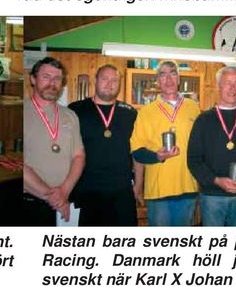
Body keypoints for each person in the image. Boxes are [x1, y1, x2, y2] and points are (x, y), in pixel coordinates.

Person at [187, 67, 236, 227]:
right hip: (212, 196)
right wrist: (215, 180)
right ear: (218, 86)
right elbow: (193, 159)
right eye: (228, 83)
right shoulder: (203, 120)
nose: (233, 88)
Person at [130, 59, 199, 226]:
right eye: (163, 74)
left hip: (188, 187)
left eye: (173, 73)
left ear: (179, 78)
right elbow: (137, 151)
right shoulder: (146, 112)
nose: (168, 79)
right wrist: (157, 156)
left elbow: (201, 147)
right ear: (158, 81)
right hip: (158, 191)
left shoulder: (194, 108)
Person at [69, 64, 138, 226]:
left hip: (122, 191)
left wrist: (139, 186)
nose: (109, 83)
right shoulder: (76, 110)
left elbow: (136, 152)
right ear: (95, 80)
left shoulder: (130, 113)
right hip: (89, 190)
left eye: (114, 80)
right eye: (105, 79)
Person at [23, 57, 84, 226]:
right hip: (31, 203)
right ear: (33, 79)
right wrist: (52, 196)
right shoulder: (21, 112)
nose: (52, 83)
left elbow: (79, 156)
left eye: (57, 78)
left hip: (65, 201)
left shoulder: (70, 115)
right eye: (46, 77)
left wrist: (64, 192)